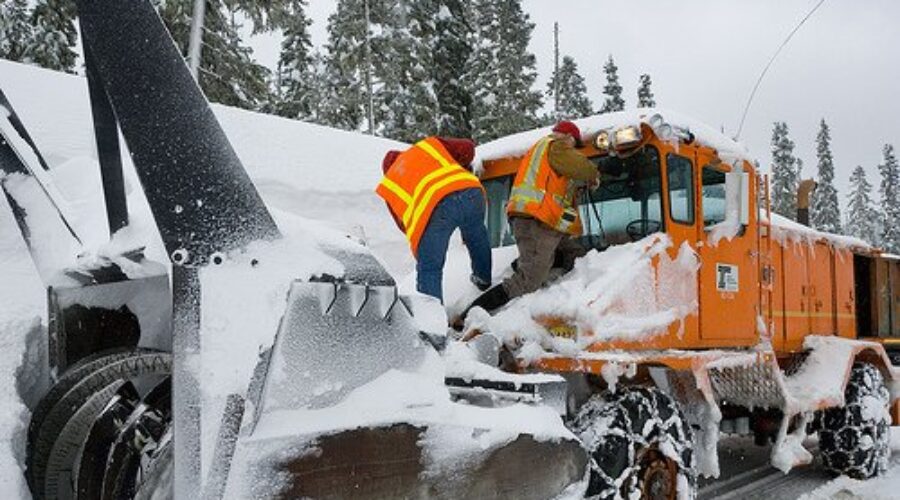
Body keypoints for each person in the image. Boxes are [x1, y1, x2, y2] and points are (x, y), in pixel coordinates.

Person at [459, 120, 599, 321]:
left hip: (543, 223)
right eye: (575, 145)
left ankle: (531, 265)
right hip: (535, 220)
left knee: (576, 256)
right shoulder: (557, 146)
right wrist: (594, 176)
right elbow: (582, 168)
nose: (574, 149)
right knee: (529, 281)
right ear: (569, 137)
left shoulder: (543, 154)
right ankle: (469, 315)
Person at [377, 137, 492, 302]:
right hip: (471, 191)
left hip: (436, 209)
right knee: (476, 236)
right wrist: (461, 168)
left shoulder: (390, 183)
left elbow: (403, 224)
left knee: (429, 269)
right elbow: (467, 148)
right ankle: (483, 279)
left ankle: (432, 321)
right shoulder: (427, 147)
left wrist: (424, 246)